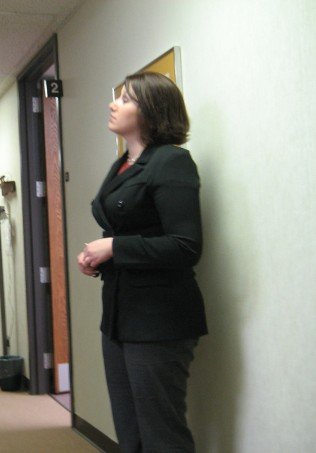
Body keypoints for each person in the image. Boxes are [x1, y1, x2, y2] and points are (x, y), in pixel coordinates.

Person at [77, 72, 208, 452]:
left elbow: (185, 246)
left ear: (152, 111)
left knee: (161, 434)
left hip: (159, 320)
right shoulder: (124, 163)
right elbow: (134, 226)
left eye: (127, 99)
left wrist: (115, 248)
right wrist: (99, 257)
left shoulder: (172, 162)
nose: (113, 104)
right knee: (129, 432)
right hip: (118, 316)